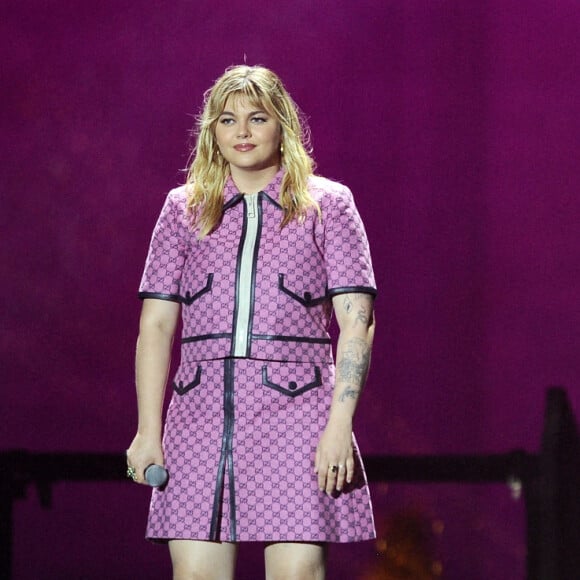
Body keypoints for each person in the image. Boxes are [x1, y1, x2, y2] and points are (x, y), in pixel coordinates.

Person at [126, 65, 377, 580]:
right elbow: (155, 327)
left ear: (281, 124)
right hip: (200, 414)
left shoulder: (328, 205)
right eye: (227, 119)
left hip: (300, 412)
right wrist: (147, 430)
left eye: (257, 117)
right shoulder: (184, 208)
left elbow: (357, 323)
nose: (241, 131)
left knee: (298, 572)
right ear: (211, 132)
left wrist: (339, 425)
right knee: (195, 575)